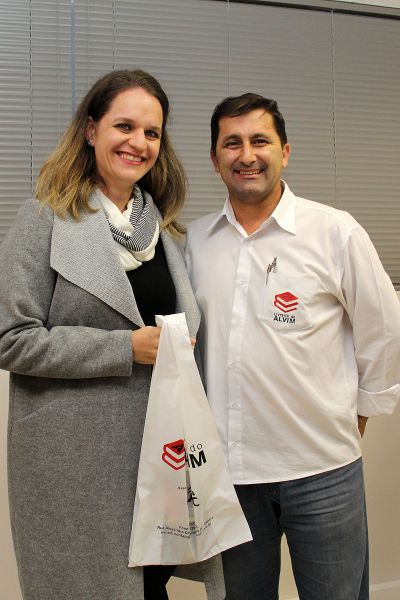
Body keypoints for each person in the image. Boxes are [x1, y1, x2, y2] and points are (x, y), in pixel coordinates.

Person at [0, 69, 224, 600]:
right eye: (124, 126)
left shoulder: (163, 231)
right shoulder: (44, 219)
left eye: (152, 132)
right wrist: (124, 348)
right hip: (75, 465)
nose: (138, 142)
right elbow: (11, 337)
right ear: (90, 130)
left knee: (150, 586)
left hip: (159, 454)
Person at [185, 93, 400, 600]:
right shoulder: (195, 241)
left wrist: (353, 420)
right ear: (215, 159)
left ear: (285, 151)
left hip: (323, 472)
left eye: (260, 140)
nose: (247, 155)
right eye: (232, 143)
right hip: (231, 477)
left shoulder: (335, 232)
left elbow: (384, 332)